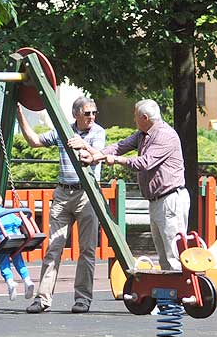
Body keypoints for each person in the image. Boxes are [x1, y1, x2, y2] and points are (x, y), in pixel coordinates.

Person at [17, 96, 105, 314]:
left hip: (86, 194)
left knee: (87, 249)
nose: (92, 117)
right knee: (53, 248)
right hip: (63, 193)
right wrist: (19, 115)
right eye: (87, 113)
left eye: (94, 113)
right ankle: (43, 299)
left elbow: (97, 156)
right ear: (75, 114)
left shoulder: (98, 132)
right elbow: (34, 141)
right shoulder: (63, 131)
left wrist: (84, 146)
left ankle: (83, 299)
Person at [86, 99, 189, 272]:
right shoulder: (143, 134)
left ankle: (182, 286)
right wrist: (97, 155)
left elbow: (144, 163)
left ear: (145, 117)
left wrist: (116, 160)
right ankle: (169, 288)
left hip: (170, 199)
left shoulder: (165, 135)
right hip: (156, 200)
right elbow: (121, 146)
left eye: (136, 116)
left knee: (174, 255)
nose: (134, 120)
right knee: (163, 255)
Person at [0, 189, 36, 301]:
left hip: (5, 241)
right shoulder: (8, 212)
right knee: (18, 260)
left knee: (3, 262)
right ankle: (27, 280)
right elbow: (19, 222)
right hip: (17, 239)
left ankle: (10, 282)